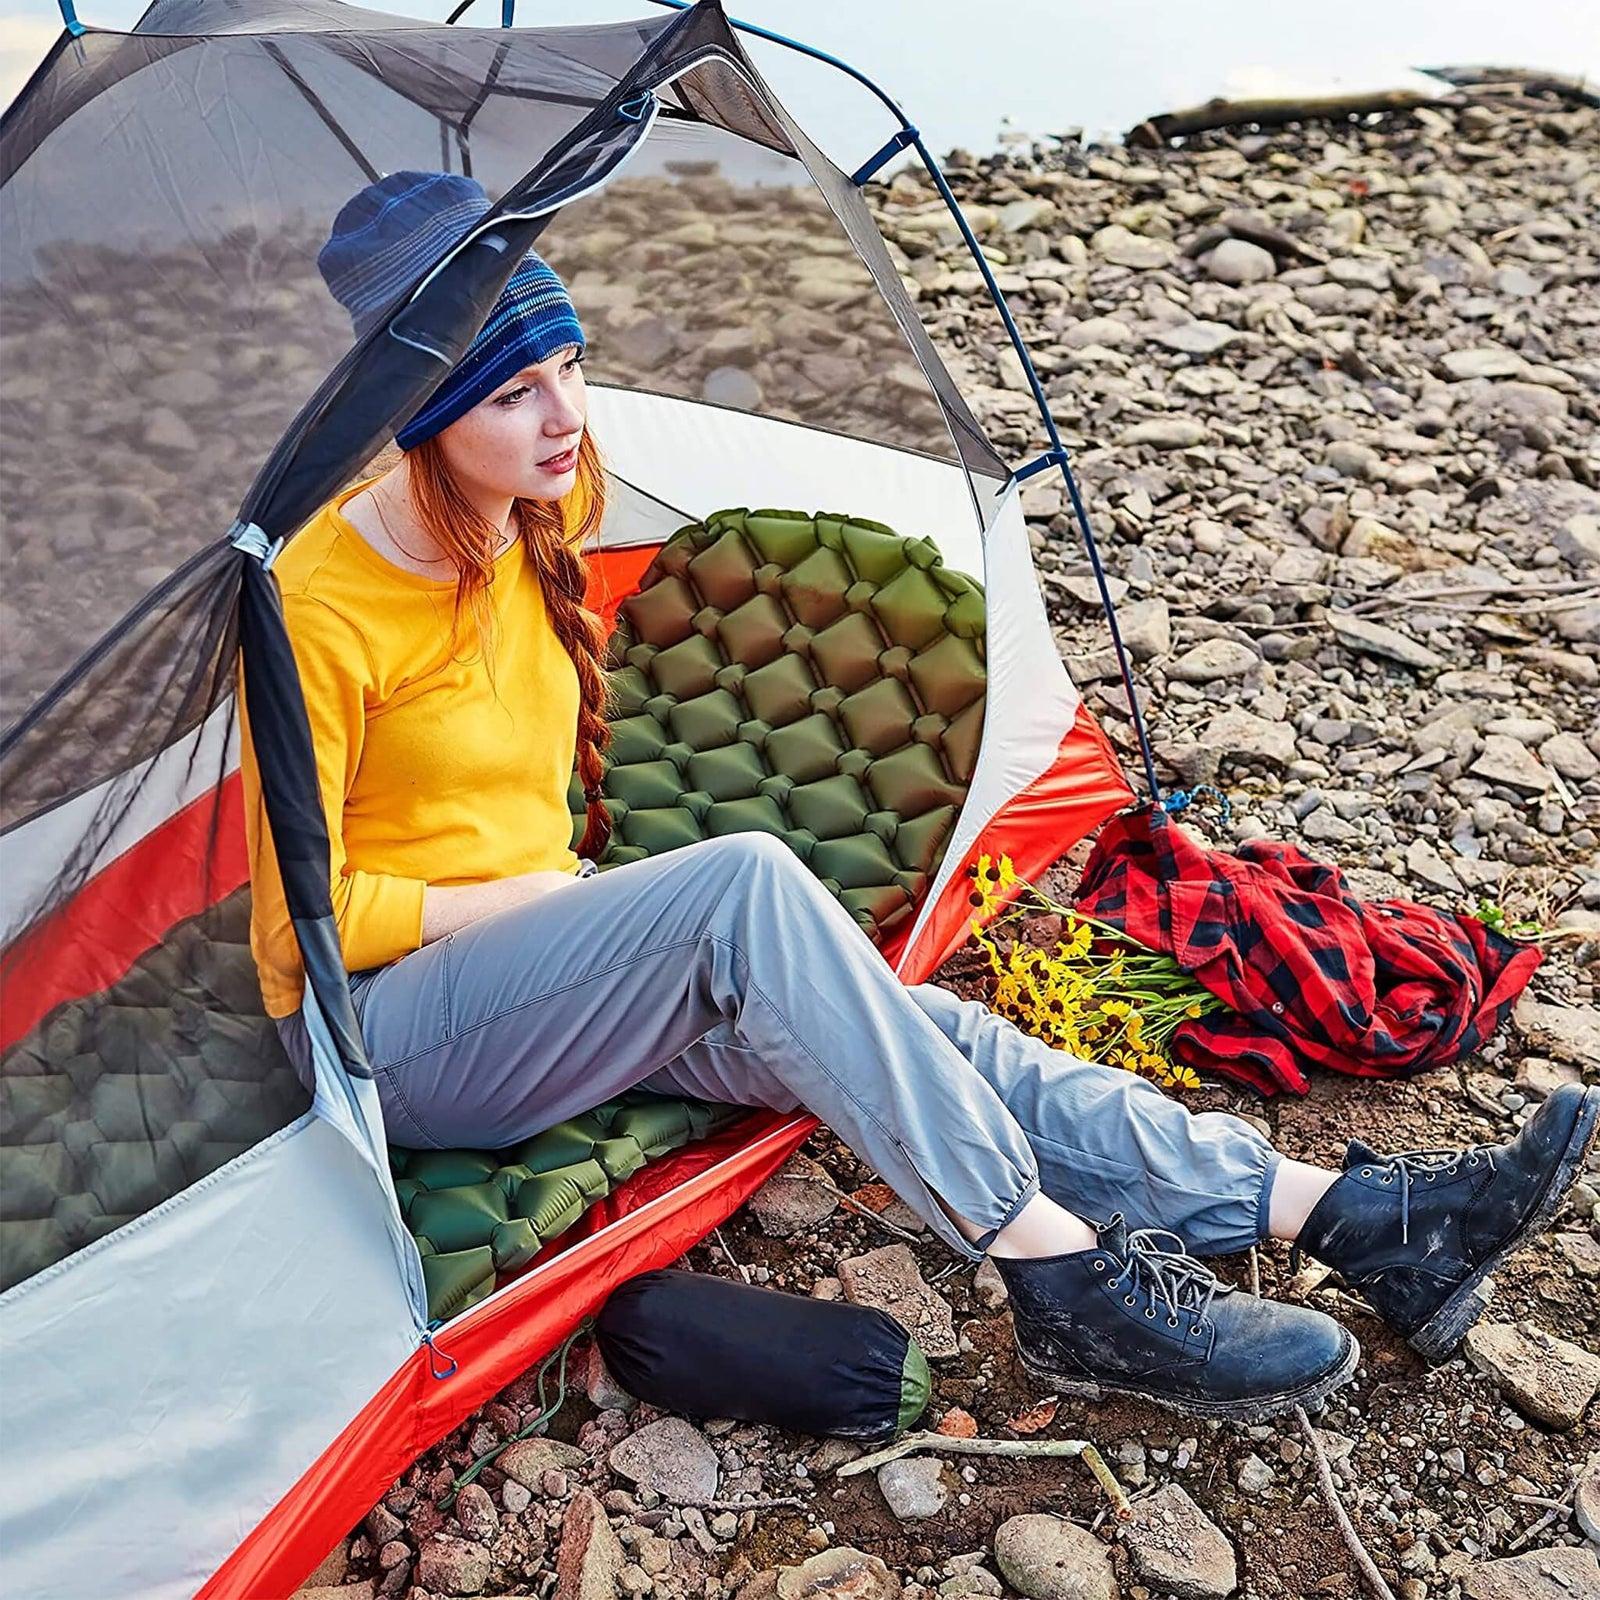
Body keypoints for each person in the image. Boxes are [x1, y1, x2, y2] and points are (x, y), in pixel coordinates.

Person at [242, 172, 1599, 1423]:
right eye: (513, 395)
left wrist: (561, 909)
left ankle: (1345, 1217)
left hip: (548, 972)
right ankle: (1060, 1278)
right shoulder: (313, 607)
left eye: (571, 368)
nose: (567, 415)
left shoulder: (547, 499)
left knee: (917, 1023)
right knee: (744, 884)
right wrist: (531, 896)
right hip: (392, 1041)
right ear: (419, 419)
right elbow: (293, 941)